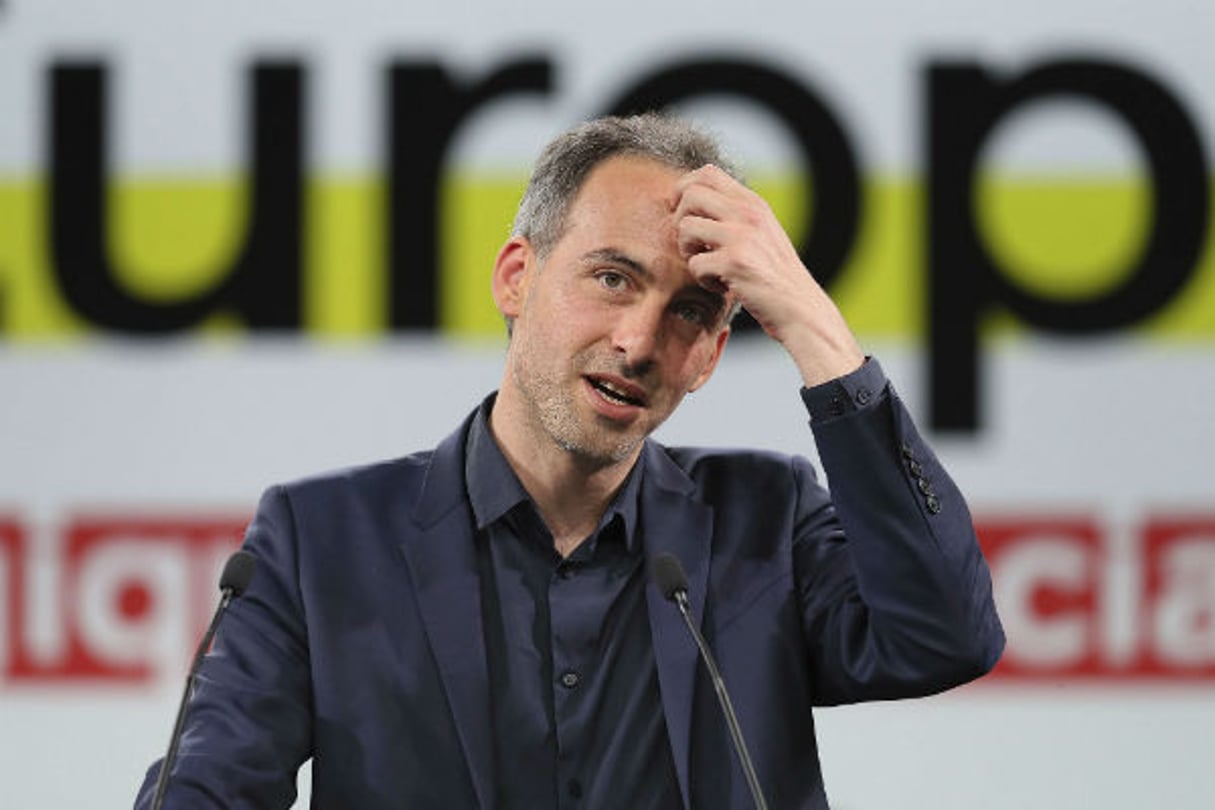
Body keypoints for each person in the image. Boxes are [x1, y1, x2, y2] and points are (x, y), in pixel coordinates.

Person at [136, 113, 1003, 809]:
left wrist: (815, 327)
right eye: (612, 279)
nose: (637, 343)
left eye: (691, 312)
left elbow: (945, 637)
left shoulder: (764, 521)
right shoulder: (320, 541)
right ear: (517, 278)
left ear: (708, 356)